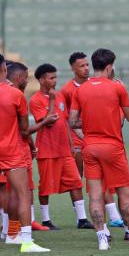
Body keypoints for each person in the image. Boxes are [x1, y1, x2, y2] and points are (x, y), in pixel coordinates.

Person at [69, 48, 129, 250]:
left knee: (96, 194)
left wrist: (91, 121)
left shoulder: (80, 90)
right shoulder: (117, 88)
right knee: (124, 194)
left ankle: (101, 239)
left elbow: (72, 121)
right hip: (112, 147)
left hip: (89, 147)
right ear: (109, 67)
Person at [0, 54, 50, 253]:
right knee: (23, 195)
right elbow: (25, 129)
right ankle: (26, 241)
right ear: (3, 68)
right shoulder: (15, 94)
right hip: (12, 151)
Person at [61, 52, 121, 232]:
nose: (86, 68)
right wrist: (82, 134)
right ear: (72, 68)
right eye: (81, 65)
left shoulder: (93, 86)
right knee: (78, 179)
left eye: (87, 65)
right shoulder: (68, 90)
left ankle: (113, 216)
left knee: (99, 179)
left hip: (93, 140)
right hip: (80, 141)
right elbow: (69, 120)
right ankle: (81, 216)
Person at [31, 63, 92, 230]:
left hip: (64, 149)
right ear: (42, 80)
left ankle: (82, 219)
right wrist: (51, 101)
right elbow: (48, 122)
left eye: (55, 77)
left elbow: (65, 122)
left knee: (76, 182)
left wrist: (71, 144)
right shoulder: (36, 99)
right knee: (45, 187)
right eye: (51, 78)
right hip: (47, 150)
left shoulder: (60, 96)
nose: (55, 81)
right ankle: (46, 220)